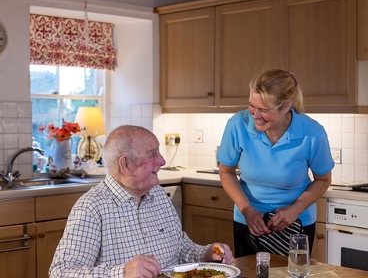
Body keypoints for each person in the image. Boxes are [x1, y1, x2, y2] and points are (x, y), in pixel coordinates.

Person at [49, 125, 234, 277]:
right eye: (153, 154)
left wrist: (206, 253)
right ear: (126, 165)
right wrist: (122, 272)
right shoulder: (91, 208)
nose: (162, 161)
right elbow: (60, 272)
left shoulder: (158, 195)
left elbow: (180, 248)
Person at [217, 68, 335, 257]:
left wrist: (294, 210)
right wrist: (246, 209)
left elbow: (323, 180)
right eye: (251, 106)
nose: (255, 115)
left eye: (264, 110)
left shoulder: (312, 133)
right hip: (248, 222)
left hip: (296, 224)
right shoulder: (237, 124)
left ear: (286, 106)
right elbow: (226, 172)